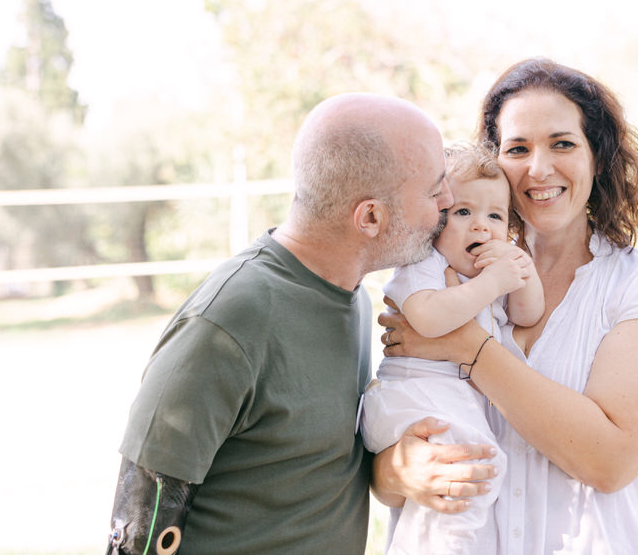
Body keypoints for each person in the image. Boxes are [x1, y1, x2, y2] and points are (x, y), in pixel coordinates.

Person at [105, 93, 498, 555]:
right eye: (434, 192)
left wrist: (398, 468)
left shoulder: (354, 299)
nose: (448, 201)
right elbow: (138, 527)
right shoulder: (227, 320)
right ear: (371, 216)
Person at [374, 58, 638, 554]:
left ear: (598, 157)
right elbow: (394, 448)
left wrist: (467, 346)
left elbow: (611, 461)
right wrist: (395, 471)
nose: (538, 168)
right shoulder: (444, 278)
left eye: (562, 144)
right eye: (518, 149)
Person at [361, 141, 544, 554]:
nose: (481, 227)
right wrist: (492, 283)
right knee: (470, 466)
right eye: (463, 213)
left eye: (495, 216)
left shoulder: (486, 271)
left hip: (445, 401)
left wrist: (521, 270)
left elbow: (529, 312)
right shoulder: (423, 264)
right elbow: (428, 319)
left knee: (460, 476)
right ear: (434, 220)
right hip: (414, 396)